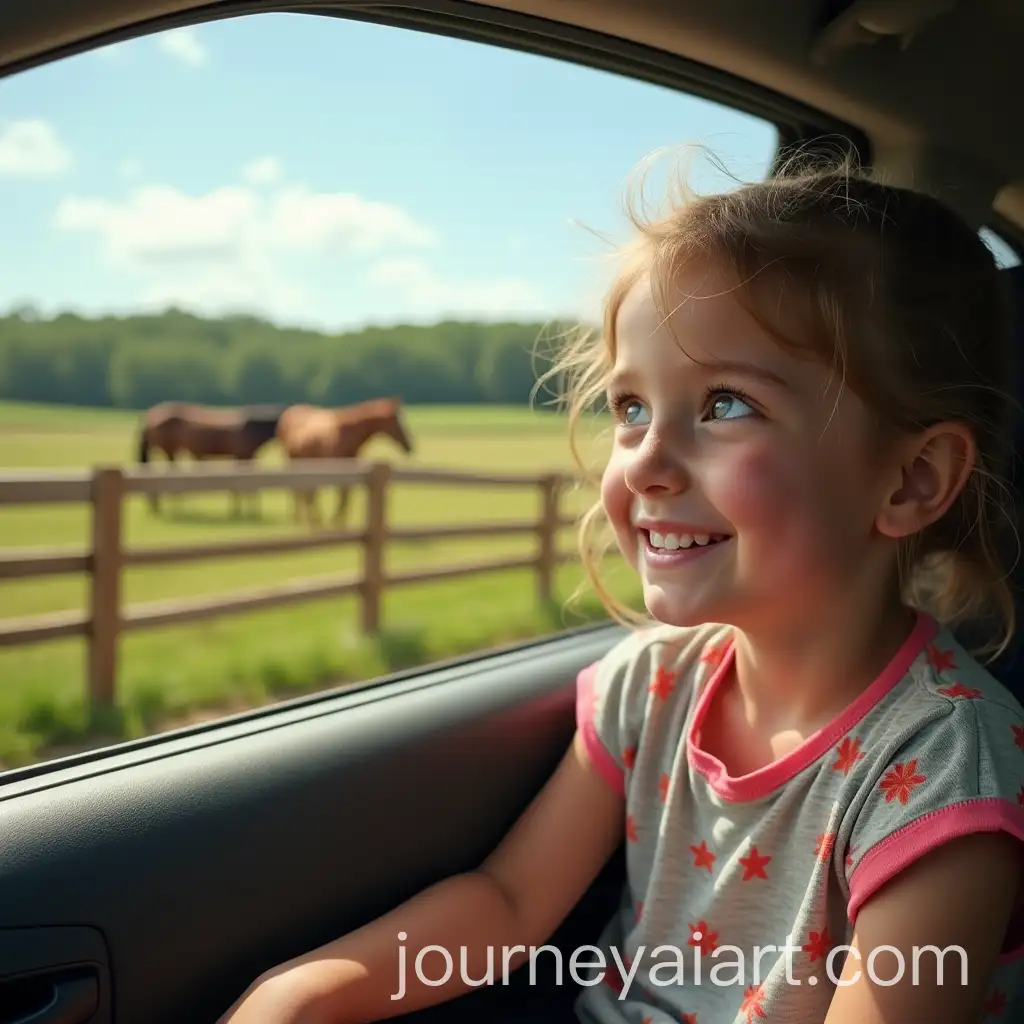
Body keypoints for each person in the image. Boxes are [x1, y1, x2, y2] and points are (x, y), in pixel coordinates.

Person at [217, 152, 1024, 1024]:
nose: (643, 461)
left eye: (724, 405)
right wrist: (299, 995)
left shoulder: (944, 767)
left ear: (909, 480)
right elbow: (509, 906)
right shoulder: (655, 682)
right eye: (630, 407)